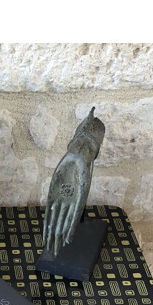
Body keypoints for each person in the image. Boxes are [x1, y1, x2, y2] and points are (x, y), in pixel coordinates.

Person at [43, 107, 106, 257]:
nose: (83, 150)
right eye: (78, 145)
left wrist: (80, 157)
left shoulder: (97, 129)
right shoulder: (75, 160)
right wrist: (77, 157)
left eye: (89, 148)